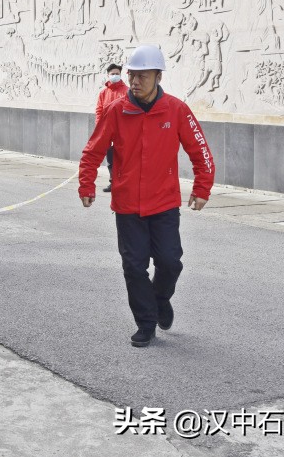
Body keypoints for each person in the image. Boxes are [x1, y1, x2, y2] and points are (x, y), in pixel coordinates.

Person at [78, 44, 215, 348]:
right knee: (134, 266)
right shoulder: (117, 110)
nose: (135, 82)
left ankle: (160, 297)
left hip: (164, 203)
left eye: (142, 76)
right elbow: (93, 151)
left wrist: (202, 188)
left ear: (157, 75)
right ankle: (146, 322)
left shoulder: (176, 109)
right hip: (127, 206)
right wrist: (86, 185)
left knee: (170, 262)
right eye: (132, 76)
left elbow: (200, 151)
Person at [95, 63, 128, 193]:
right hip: (108, 131)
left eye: (117, 74)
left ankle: (123, 183)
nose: (115, 76)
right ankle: (112, 182)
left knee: (124, 158)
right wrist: (100, 127)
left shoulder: (127, 91)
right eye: (112, 74)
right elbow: (99, 110)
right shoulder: (104, 93)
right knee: (110, 159)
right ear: (108, 76)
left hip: (123, 131)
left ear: (120, 75)